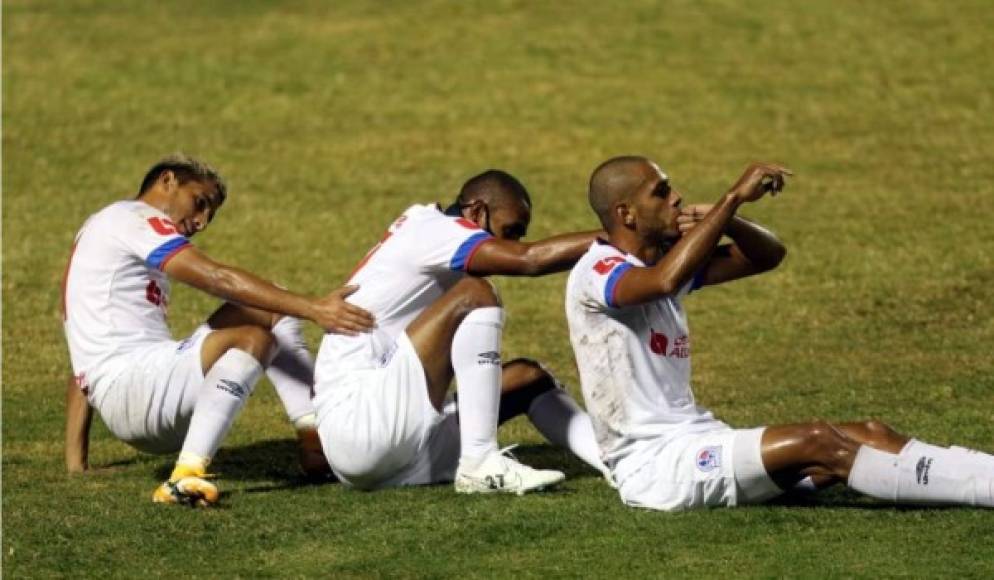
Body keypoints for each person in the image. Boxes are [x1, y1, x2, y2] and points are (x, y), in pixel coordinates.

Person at [565, 155, 994, 511]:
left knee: (870, 432)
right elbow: (662, 283)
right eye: (660, 192)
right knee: (819, 443)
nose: (676, 196)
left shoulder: (656, 264)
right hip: (658, 467)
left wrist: (728, 220)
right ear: (626, 214)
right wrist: (730, 200)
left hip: (700, 438)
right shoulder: (597, 270)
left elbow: (767, 256)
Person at [62, 153, 375, 507]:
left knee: (271, 303)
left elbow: (79, 354)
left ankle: (314, 438)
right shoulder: (131, 218)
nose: (201, 221)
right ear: (167, 181)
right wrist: (315, 308)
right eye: (199, 203)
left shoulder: (99, 234)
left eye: (209, 214)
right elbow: (216, 278)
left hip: (140, 394)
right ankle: (185, 478)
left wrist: (77, 462)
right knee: (252, 337)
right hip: (137, 390)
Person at [314, 169, 610, 494]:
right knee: (475, 293)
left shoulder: (426, 225)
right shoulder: (435, 231)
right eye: (508, 231)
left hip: (390, 445)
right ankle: (480, 462)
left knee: (530, 379)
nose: (511, 244)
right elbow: (529, 259)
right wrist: (626, 239)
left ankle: (620, 465)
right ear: (477, 211)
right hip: (361, 423)